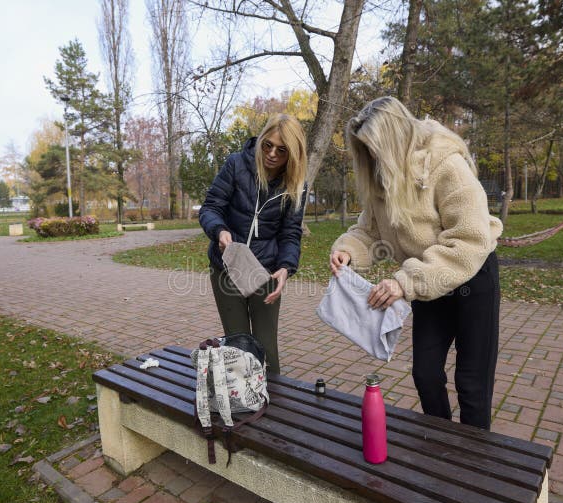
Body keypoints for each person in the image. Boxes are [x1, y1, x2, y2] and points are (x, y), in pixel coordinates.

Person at [329, 96, 503, 430]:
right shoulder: (384, 179)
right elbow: (369, 231)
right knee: (425, 373)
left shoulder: (447, 166)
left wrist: (403, 283)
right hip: (426, 283)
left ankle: (476, 462)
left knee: (472, 383)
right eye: (366, 151)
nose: (372, 159)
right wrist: (348, 249)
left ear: (396, 140)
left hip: (472, 277)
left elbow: (469, 240)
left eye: (376, 149)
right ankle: (441, 447)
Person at [199, 114, 307, 375]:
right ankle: (244, 406)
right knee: (239, 347)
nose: (271, 154)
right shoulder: (236, 165)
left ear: (293, 154)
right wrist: (220, 231)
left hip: (265, 272)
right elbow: (210, 207)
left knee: (266, 347)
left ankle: (276, 406)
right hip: (228, 267)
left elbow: (291, 233)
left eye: (282, 151)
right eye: (267, 145)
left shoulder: (295, 185)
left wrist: (285, 267)